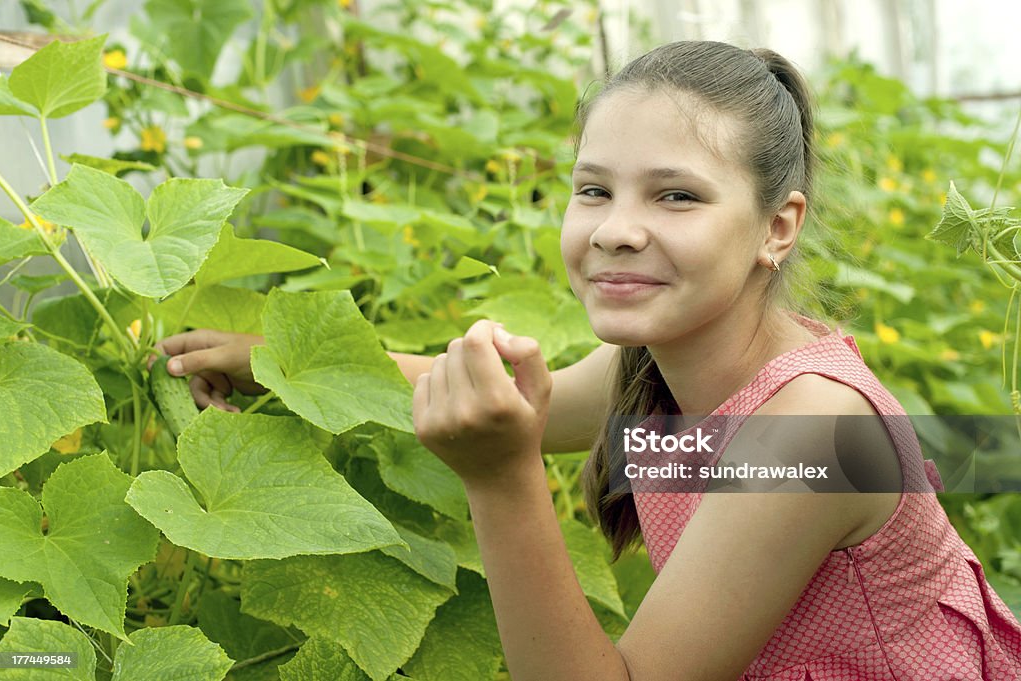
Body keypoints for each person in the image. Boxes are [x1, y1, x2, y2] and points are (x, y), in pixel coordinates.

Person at [154, 41, 1021, 680]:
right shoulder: (657, 364)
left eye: (676, 194)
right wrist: (277, 359)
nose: (614, 228)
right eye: (594, 188)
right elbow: (497, 391)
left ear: (777, 227)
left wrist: (500, 478)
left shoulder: (812, 432)